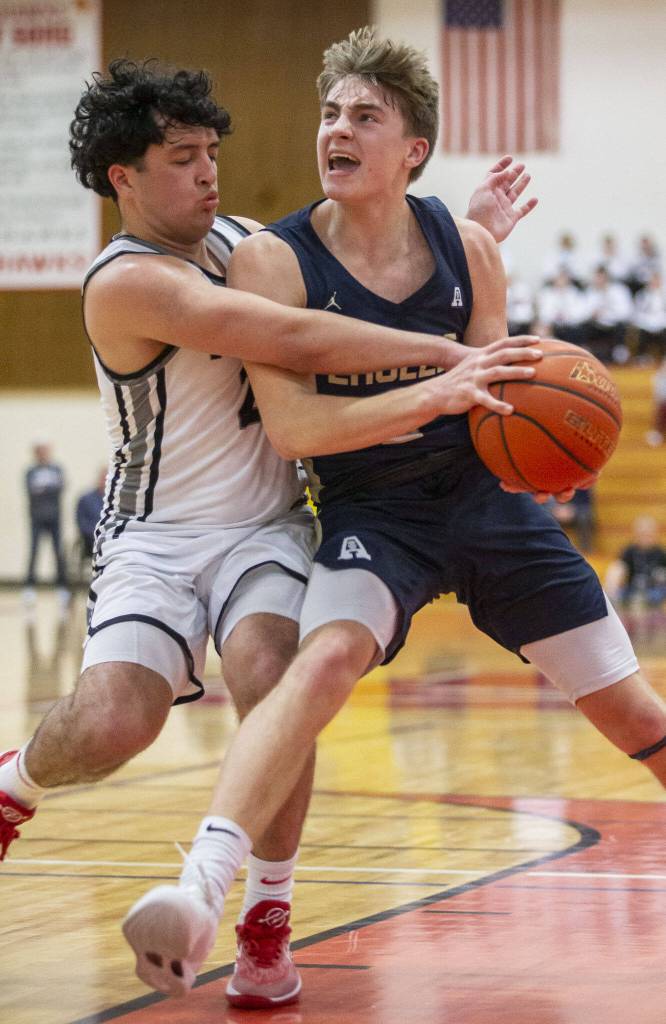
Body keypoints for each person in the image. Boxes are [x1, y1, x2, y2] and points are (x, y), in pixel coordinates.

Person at [120, 27, 666, 1007]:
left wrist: (541, 452)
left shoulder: (470, 250)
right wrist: (437, 392)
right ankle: (208, 895)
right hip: (374, 512)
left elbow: (498, 395)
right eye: (331, 112)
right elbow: (294, 429)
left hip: (483, 504)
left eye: (365, 115)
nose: (338, 127)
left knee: (633, 714)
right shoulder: (277, 264)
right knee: (317, 661)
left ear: (412, 148)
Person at [0, 56, 540, 1008]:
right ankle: (17, 785)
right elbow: (293, 339)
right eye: (181, 158)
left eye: (212, 152)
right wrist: (456, 356)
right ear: (124, 178)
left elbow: (371, 272)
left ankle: (264, 919)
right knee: (114, 723)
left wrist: (472, 239)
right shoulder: (124, 283)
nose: (210, 172)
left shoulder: (251, 241)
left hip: (268, 524)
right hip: (156, 535)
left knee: (273, 676)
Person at [23, 442, 69, 608]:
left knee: (58, 553)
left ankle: (62, 587)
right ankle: (29, 587)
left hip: (54, 518)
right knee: (34, 552)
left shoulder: (57, 469)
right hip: (37, 518)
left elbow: (61, 487)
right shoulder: (30, 471)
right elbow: (31, 491)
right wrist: (49, 487)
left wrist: (43, 488)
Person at [605, 515, 666, 610]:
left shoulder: (661, 552)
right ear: (636, 534)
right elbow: (618, 568)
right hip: (632, 589)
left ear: (654, 534)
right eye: (642, 534)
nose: (645, 538)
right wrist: (612, 585)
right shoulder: (629, 551)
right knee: (616, 569)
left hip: (654, 590)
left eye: (648, 534)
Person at [75, 468, 107, 560]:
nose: (105, 482)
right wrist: (96, 533)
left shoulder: (116, 501)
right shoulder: (86, 499)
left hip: (111, 537)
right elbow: (81, 522)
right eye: (103, 479)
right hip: (91, 539)